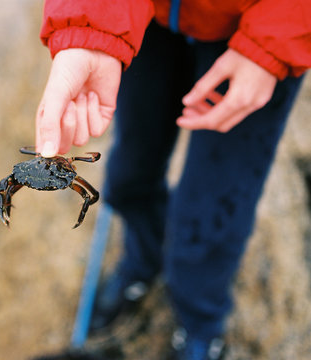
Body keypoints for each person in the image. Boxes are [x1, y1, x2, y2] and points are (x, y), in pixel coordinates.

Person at [35, 1, 311, 359]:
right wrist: (92, 27)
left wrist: (273, 42)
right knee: (128, 176)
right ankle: (142, 260)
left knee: (212, 214)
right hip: (146, 18)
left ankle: (201, 324)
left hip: (262, 27)